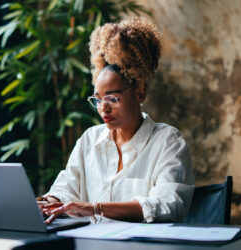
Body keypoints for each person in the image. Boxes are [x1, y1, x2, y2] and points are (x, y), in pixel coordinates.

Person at [38, 17, 194, 224]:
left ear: (140, 94)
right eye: (98, 99)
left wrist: (95, 208)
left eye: (113, 98)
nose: (103, 108)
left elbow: (169, 203)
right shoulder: (90, 140)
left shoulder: (167, 141)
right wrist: (46, 202)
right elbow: (66, 187)